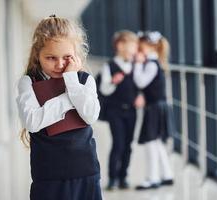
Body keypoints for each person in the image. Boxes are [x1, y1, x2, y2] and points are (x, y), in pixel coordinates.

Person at [16, 15, 102, 200]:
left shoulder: (84, 80)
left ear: (76, 55)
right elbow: (32, 122)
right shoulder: (28, 82)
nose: (60, 64)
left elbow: (90, 116)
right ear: (37, 56)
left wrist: (71, 80)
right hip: (48, 176)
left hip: (85, 171)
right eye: (51, 58)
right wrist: (69, 97)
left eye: (67, 57)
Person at [99, 30, 142, 190]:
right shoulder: (109, 66)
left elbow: (141, 85)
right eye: (132, 45)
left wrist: (140, 96)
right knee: (118, 143)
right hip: (114, 111)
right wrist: (113, 81)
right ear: (120, 45)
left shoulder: (135, 65)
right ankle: (112, 178)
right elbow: (104, 89)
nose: (134, 49)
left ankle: (123, 176)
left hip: (131, 111)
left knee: (129, 144)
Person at [134, 31, 174, 190]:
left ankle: (153, 178)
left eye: (140, 45)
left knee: (151, 142)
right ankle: (167, 174)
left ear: (148, 46)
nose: (138, 48)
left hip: (154, 108)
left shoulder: (150, 64)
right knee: (157, 142)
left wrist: (137, 63)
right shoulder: (156, 62)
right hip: (158, 106)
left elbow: (140, 82)